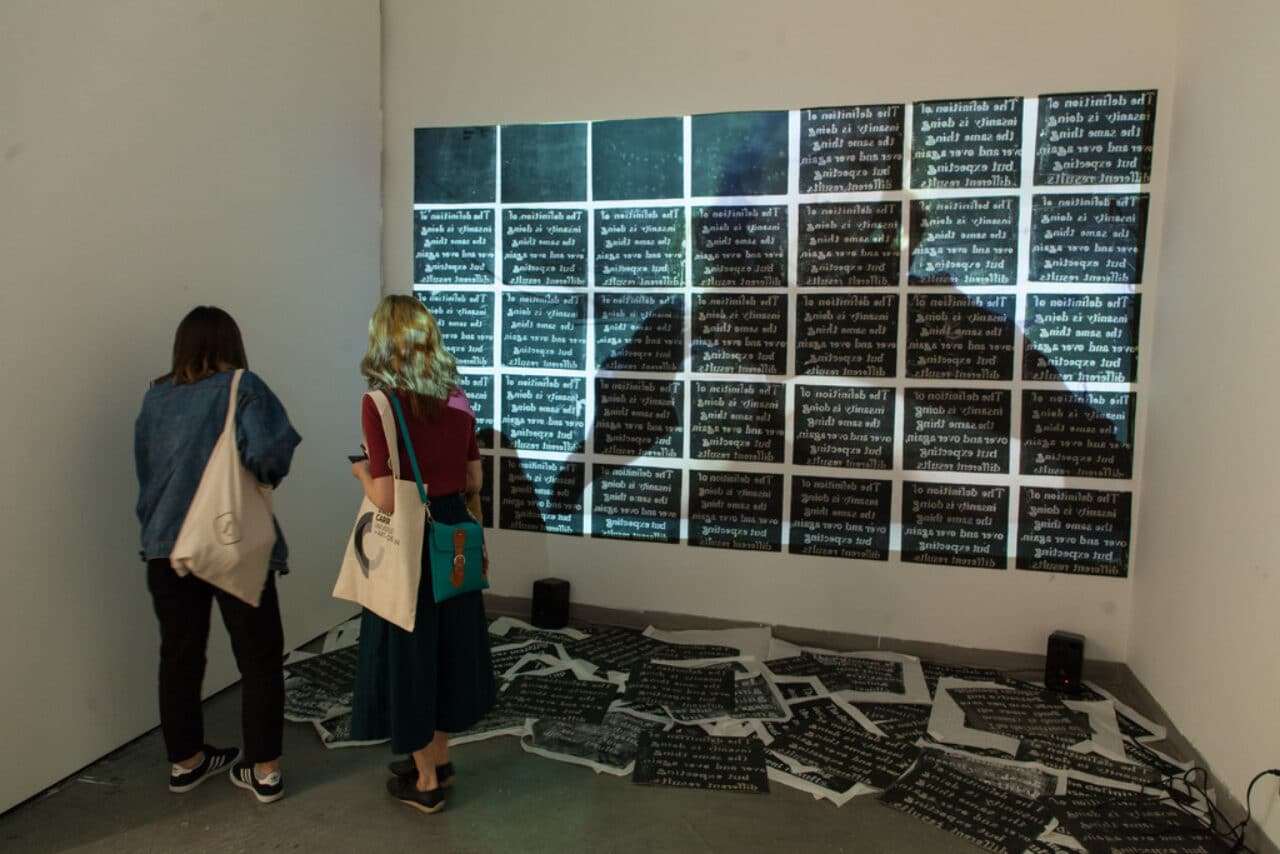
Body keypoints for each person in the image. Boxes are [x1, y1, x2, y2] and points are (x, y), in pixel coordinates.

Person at [134, 306, 301, 804]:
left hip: (167, 547)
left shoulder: (155, 397)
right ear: (232, 343)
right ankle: (264, 771)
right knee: (259, 656)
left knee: (179, 655)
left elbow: (146, 471)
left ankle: (186, 762)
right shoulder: (243, 387)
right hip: (231, 542)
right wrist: (259, 477)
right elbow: (270, 454)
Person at [349, 295, 495, 814]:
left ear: (383, 343)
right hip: (453, 536)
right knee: (449, 653)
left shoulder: (379, 404)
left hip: (410, 540)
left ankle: (426, 782)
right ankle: (440, 759)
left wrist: (359, 472)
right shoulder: (456, 398)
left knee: (409, 658)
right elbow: (475, 479)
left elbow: (388, 498)